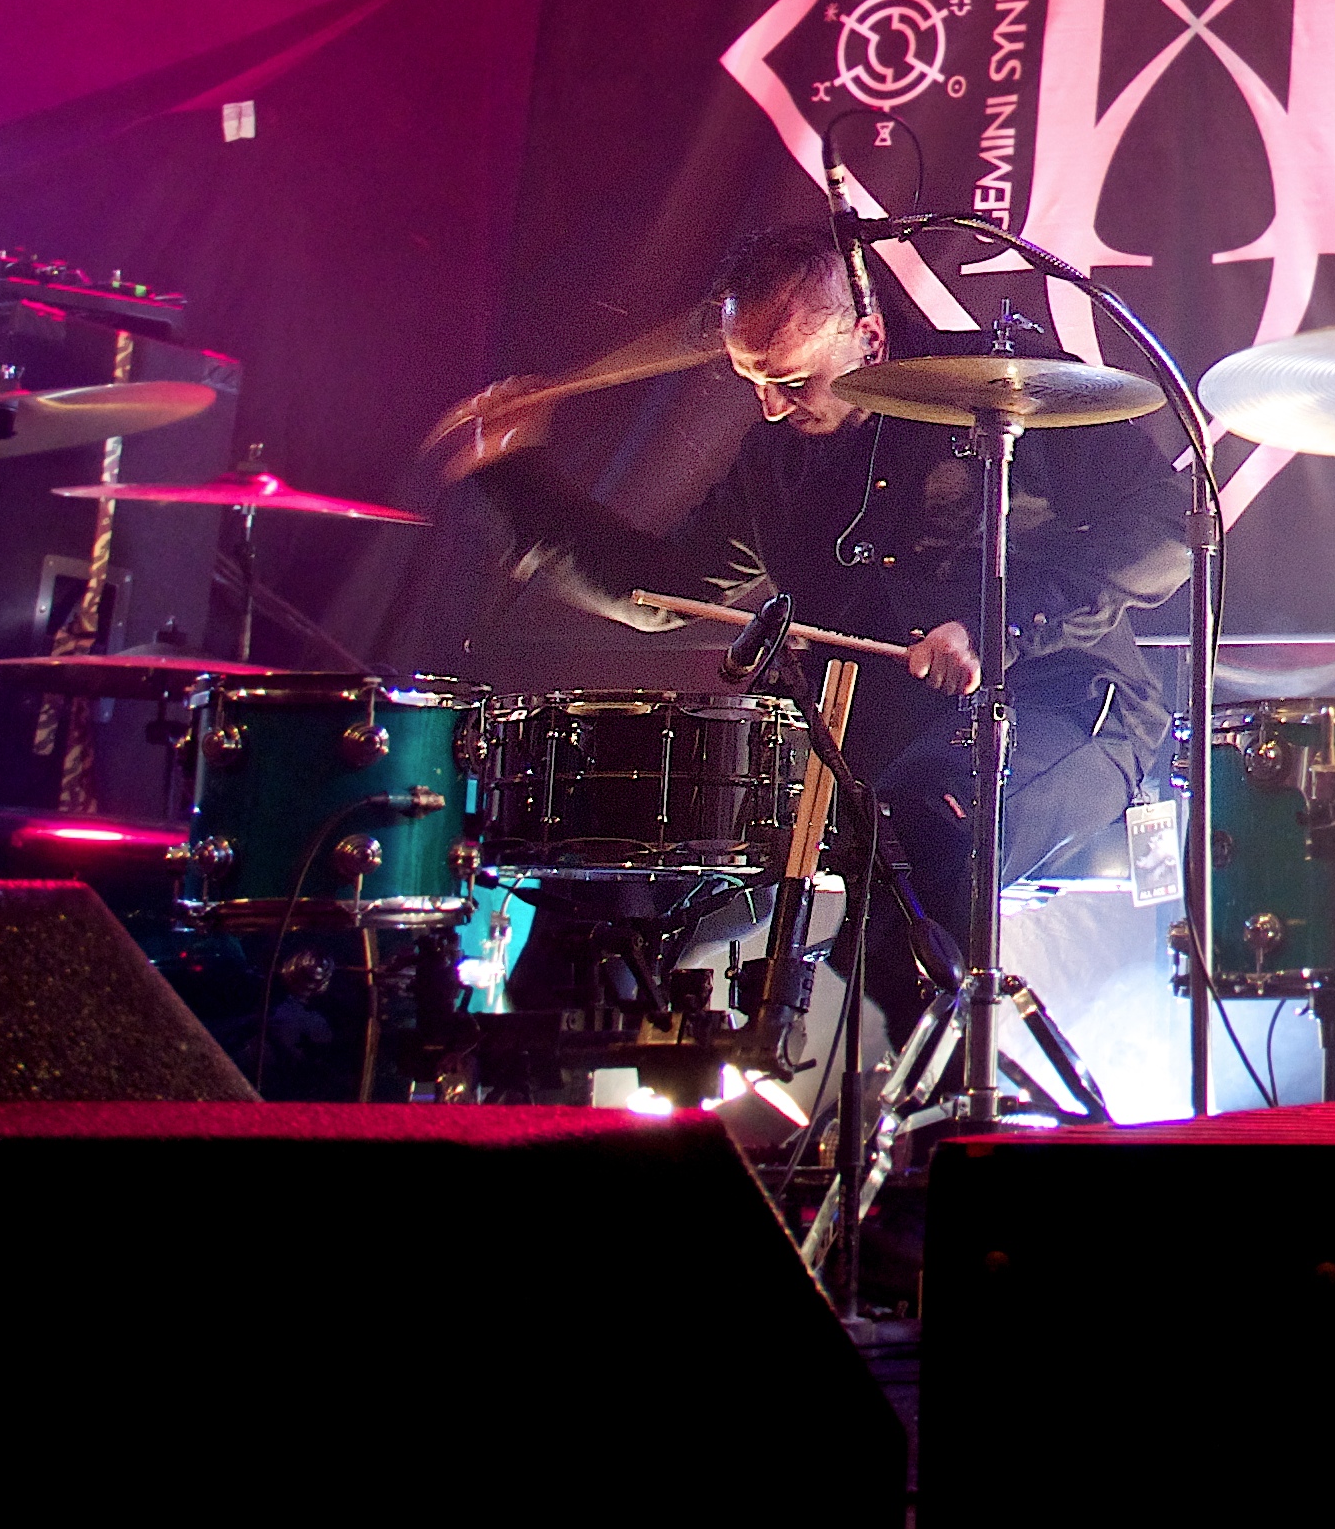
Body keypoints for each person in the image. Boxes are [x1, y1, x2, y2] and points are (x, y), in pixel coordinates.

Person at [448, 223, 1188, 1022]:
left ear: (868, 335)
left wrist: (996, 628)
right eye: (753, 382)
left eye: (793, 381)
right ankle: (560, 1084)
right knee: (617, 864)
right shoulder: (778, 461)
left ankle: (941, 1093)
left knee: (921, 829)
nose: (771, 408)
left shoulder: (1003, 391)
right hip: (855, 746)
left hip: (1061, 707)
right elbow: (661, 592)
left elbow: (1166, 526)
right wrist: (513, 477)